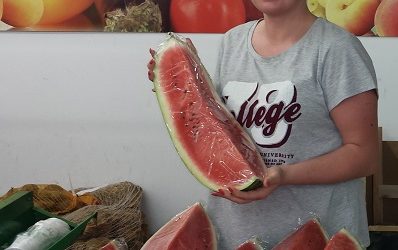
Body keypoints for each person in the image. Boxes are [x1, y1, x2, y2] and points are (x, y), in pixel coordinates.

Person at [147, 0, 379, 248]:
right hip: (235, 237)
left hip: (318, 237)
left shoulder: (337, 49)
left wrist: (283, 175)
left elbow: (364, 154)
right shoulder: (232, 42)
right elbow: (214, 124)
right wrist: (180, 83)